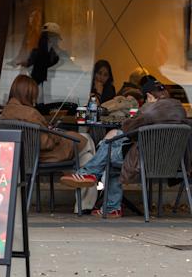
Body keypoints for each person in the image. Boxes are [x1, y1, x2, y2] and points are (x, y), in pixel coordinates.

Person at [62, 78, 186, 218]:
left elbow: (127, 128)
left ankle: (90, 174)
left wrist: (139, 112)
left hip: (144, 160)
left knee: (107, 147)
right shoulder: (180, 110)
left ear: (150, 96)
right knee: (114, 143)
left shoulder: (149, 110)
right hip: (171, 162)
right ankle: (109, 205)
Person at [2, 75, 97, 211]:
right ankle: (86, 204)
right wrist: (54, 133)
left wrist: (46, 130)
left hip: (23, 157)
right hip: (42, 156)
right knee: (87, 143)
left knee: (86, 156)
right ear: (28, 94)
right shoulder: (30, 113)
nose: (35, 99)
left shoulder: (7, 111)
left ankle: (82, 187)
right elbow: (46, 143)